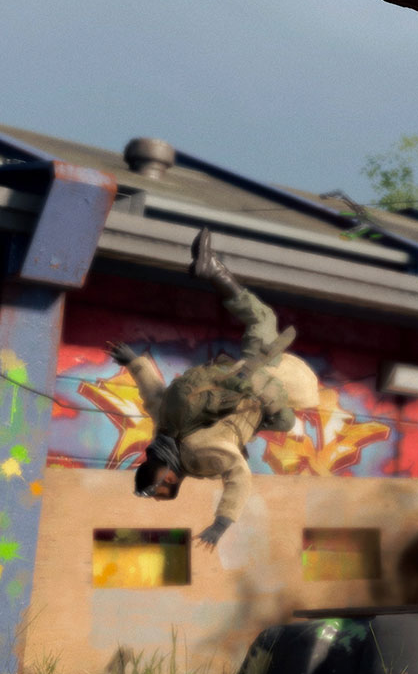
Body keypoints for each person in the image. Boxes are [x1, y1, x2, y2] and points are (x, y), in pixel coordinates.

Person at [112, 229, 319, 549]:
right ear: (169, 478)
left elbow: (154, 395)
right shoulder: (186, 447)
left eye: (160, 484)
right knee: (262, 322)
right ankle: (213, 271)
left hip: (245, 378)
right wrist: (224, 520)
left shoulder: (169, 434)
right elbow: (239, 476)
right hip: (256, 383)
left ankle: (212, 270)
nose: (165, 480)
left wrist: (134, 363)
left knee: (263, 326)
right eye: (165, 486)